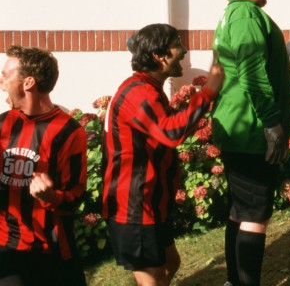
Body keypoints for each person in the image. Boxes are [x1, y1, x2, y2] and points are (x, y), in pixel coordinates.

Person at [102, 23, 224, 286]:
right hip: (133, 207)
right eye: (177, 44)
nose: (183, 50)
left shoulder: (147, 87)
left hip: (150, 204)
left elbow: (167, 128)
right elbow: (171, 132)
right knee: (153, 278)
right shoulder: (138, 92)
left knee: (170, 263)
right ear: (159, 55)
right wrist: (208, 92)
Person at [212, 0, 290, 286]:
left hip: (238, 128)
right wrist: (272, 123)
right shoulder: (245, 14)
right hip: (251, 130)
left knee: (241, 210)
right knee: (254, 215)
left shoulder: (231, 16)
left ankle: (235, 281)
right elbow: (251, 69)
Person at [0, 45, 88, 286]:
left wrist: (50, 196)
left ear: (27, 83)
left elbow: (76, 195)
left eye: (5, 75)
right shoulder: (4, 123)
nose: (1, 81)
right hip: (6, 247)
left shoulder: (69, 132)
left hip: (50, 251)